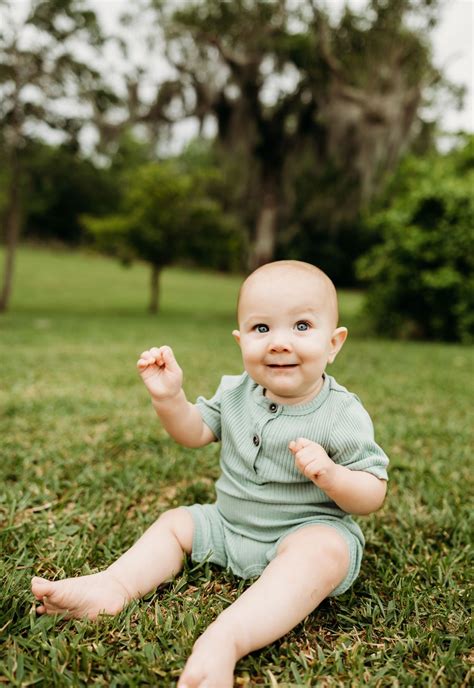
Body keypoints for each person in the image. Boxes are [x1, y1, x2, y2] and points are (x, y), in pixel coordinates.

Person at [31, 260, 389, 688]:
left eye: (301, 326)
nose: (278, 343)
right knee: (176, 523)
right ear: (240, 339)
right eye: (261, 329)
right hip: (227, 526)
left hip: (302, 531)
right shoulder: (235, 391)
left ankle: (226, 638)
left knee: (323, 551)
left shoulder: (341, 413)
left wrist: (332, 476)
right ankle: (113, 586)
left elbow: (372, 493)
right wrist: (170, 399)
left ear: (334, 343)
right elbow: (195, 431)